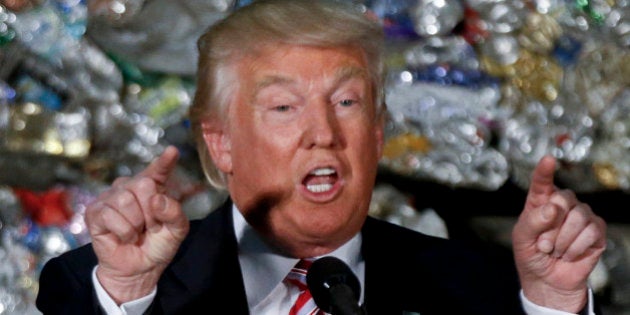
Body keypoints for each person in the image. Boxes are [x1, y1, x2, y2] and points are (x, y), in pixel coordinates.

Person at [35, 0, 607, 314]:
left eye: (347, 101)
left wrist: (553, 303)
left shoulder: (481, 287)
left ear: (377, 134)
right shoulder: (99, 288)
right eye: (285, 106)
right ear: (220, 143)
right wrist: (130, 297)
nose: (323, 133)